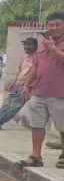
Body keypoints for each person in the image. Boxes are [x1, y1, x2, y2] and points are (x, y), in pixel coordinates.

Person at [18, 11, 64, 168]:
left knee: (62, 125)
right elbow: (35, 67)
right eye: (51, 25)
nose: (54, 27)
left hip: (60, 93)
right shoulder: (42, 43)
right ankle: (36, 156)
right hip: (39, 91)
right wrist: (26, 85)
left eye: (58, 24)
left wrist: (53, 48)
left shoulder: (51, 44)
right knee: (37, 124)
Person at [0, 37, 37, 130]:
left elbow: (36, 74)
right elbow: (19, 71)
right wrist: (12, 83)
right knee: (6, 104)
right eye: (25, 45)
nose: (26, 47)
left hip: (26, 87)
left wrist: (27, 86)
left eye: (29, 44)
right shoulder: (25, 57)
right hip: (18, 85)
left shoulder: (37, 58)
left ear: (35, 46)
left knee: (14, 106)